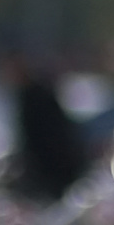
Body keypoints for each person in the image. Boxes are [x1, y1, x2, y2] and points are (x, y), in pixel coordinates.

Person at [6, 59, 92, 205]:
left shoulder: (37, 96)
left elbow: (48, 136)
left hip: (54, 167)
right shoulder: (30, 94)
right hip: (50, 166)